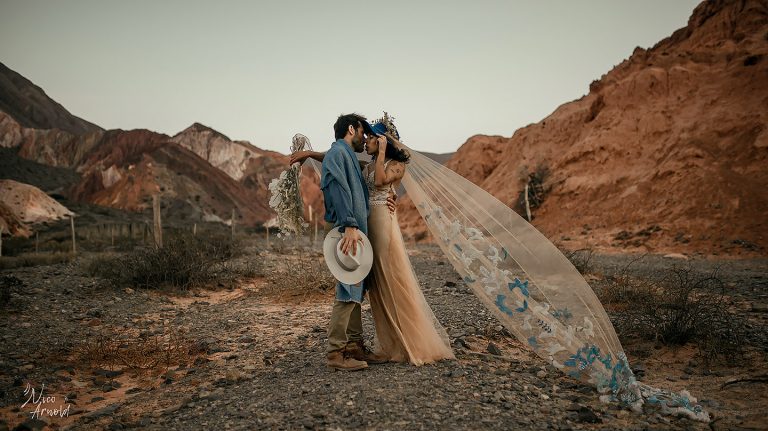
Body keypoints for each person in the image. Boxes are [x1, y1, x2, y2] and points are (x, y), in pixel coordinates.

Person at [292, 114, 454, 365]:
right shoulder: (345, 156)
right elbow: (340, 166)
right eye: (362, 134)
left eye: (370, 137)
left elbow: (355, 167)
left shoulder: (362, 160)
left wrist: (388, 194)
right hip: (351, 228)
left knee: (362, 283)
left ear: (383, 141)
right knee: (351, 284)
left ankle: (357, 345)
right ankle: (337, 351)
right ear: (351, 130)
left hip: (366, 227)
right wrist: (349, 224)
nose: (365, 139)